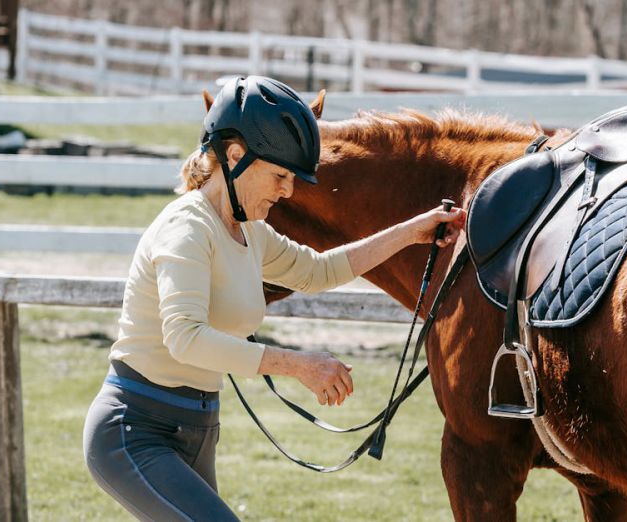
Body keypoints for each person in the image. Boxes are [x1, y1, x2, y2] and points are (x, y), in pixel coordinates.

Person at [82, 75, 465, 521]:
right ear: (235, 156)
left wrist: (410, 232)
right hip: (135, 431)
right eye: (280, 175)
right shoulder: (187, 228)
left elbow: (320, 269)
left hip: (198, 426)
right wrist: (300, 365)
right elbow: (184, 338)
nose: (287, 192)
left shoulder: (248, 232)